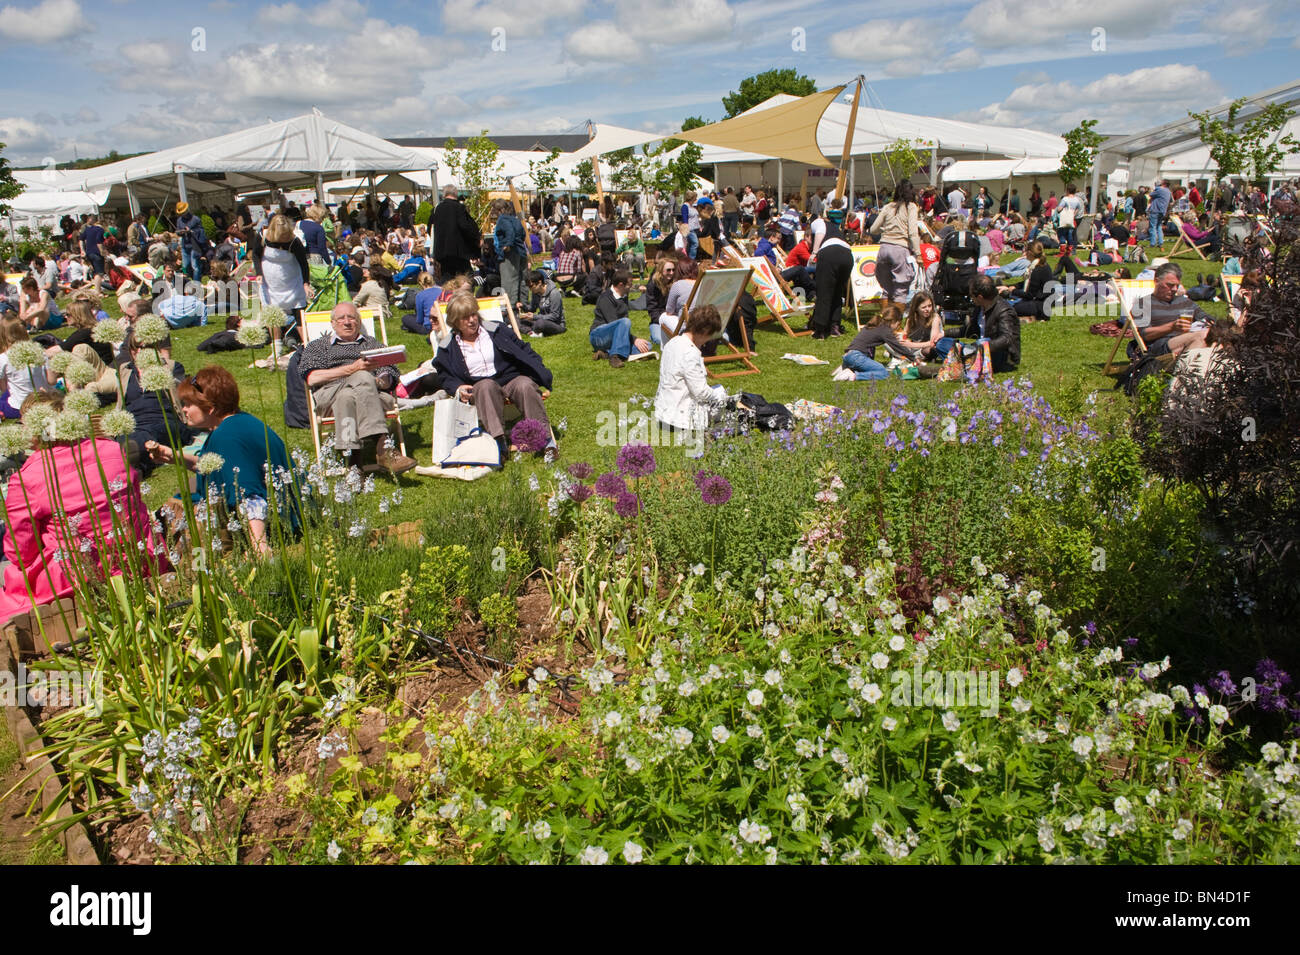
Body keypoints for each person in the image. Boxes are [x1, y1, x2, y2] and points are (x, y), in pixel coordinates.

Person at [0, 391, 164, 627]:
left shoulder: (29, 476)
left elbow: (20, 552)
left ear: (36, 427)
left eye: (24, 425)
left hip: (76, 581)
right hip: (140, 561)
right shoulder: (112, 450)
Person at [149, 366, 295, 556]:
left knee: (180, 511)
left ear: (210, 406)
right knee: (185, 491)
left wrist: (260, 547)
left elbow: (248, 492)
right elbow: (215, 466)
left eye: (189, 404)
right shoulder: (237, 421)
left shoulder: (227, 436)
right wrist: (171, 455)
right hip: (285, 507)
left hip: (280, 523)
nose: (184, 409)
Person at [434, 292, 555, 463]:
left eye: (473, 314)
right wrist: (458, 388)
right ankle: (498, 443)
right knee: (485, 386)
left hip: (510, 378)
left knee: (525, 385)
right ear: (455, 322)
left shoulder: (496, 330)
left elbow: (523, 348)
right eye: (465, 317)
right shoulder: (448, 347)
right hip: (481, 385)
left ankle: (545, 441)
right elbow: (444, 375)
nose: (471, 320)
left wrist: (537, 368)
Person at [299, 302, 415, 474]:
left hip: (371, 393)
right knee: (361, 376)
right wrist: (353, 369)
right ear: (332, 323)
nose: (347, 322)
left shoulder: (372, 344)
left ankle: (354, 465)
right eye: (341, 318)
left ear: (359, 322)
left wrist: (381, 380)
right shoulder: (319, 346)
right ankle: (383, 447)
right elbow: (312, 378)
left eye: (352, 317)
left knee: (347, 397)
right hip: (330, 392)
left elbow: (390, 372)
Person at [653, 303, 730, 434]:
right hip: (682, 418)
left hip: (664, 412)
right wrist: (720, 396)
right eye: (709, 337)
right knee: (734, 412)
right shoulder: (690, 352)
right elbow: (700, 393)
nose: (707, 341)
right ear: (704, 332)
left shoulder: (672, 342)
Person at [249, 213, 311, 357]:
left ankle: (308, 345)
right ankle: (276, 347)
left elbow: (303, 263)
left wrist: (305, 283)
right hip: (270, 284)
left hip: (291, 281)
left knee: (298, 313)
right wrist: (258, 273)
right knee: (272, 314)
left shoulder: (294, 241)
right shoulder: (262, 236)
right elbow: (256, 255)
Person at [833, 302, 935, 381]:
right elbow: (897, 347)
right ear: (894, 321)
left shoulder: (874, 325)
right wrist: (913, 358)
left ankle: (847, 368)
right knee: (883, 372)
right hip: (856, 357)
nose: (897, 328)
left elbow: (868, 347)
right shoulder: (885, 330)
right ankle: (853, 375)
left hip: (849, 355)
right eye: (898, 325)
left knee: (874, 367)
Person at [1132, 262, 1210, 359]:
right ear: (1156, 281)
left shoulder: (1184, 302)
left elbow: (1207, 318)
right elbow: (1145, 334)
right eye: (1170, 285)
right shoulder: (1142, 303)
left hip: (1187, 341)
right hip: (1160, 346)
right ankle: (1186, 372)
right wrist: (1172, 326)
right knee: (1201, 336)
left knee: (1216, 336)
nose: (1174, 289)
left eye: (1177, 286)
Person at [867, 180, 922, 304]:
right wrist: (918, 254)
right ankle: (896, 321)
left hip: (884, 248)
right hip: (900, 249)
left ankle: (886, 321)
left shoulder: (888, 206)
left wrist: (886, 230)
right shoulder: (911, 207)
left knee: (886, 289)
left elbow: (873, 229)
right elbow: (913, 232)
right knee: (900, 290)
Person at [590, 268, 651, 368]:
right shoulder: (605, 298)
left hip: (615, 336)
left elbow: (621, 329)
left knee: (646, 346)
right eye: (630, 284)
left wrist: (636, 340)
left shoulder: (624, 297)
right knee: (625, 322)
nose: (631, 286)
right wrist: (634, 339)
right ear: (621, 285)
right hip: (598, 336)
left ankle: (606, 353)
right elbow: (615, 323)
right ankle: (614, 357)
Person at [809, 200, 853, 338]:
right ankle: (834, 326)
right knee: (837, 291)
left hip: (829, 252)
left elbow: (820, 233)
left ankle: (820, 329)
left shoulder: (818, 222)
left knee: (824, 292)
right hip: (847, 254)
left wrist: (814, 252)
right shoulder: (837, 229)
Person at [0, 318, 56, 418]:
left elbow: (4, 388)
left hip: (19, 408)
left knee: (3, 398)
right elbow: (52, 381)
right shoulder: (40, 351)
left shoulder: (4, 358)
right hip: (45, 402)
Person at [964, 275, 1020, 373]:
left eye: (972, 296)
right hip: (981, 348)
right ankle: (965, 356)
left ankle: (964, 358)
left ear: (980, 297)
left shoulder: (1004, 310)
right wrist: (943, 333)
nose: (971, 298)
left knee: (977, 344)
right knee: (944, 343)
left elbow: (1006, 339)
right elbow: (969, 330)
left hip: (1001, 356)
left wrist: (981, 347)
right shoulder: (980, 307)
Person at [432, 185, 481, 280]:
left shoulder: (437, 209)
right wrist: (476, 240)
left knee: (448, 279)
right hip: (458, 252)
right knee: (467, 278)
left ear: (444, 194)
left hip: (442, 252)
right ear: (456, 194)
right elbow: (466, 227)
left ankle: (448, 295)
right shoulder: (459, 208)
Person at [1001, 242, 1054, 321]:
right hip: (1043, 304)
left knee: (1008, 307)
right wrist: (1008, 286)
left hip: (1039, 305)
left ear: (1029, 253)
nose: (1024, 253)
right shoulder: (1042, 265)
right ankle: (1030, 318)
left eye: (1025, 251)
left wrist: (1013, 291)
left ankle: (1032, 318)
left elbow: (1030, 295)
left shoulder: (1036, 270)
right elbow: (1027, 283)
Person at [492, 198, 528, 310]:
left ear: (499, 210)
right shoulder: (515, 219)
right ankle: (523, 303)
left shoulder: (502, 219)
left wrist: (507, 244)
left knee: (509, 280)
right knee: (521, 278)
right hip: (521, 251)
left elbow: (509, 231)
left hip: (510, 254)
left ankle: (509, 307)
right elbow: (523, 234)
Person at [518, 270, 566, 337]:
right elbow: (532, 309)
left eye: (531, 286)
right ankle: (533, 332)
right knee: (518, 320)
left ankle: (532, 330)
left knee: (540, 323)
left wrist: (535, 317)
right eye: (528, 286)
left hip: (556, 324)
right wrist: (523, 306)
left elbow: (555, 316)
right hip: (541, 319)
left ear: (539, 282)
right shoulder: (535, 292)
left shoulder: (554, 293)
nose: (530, 289)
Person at [644, 252, 677, 345]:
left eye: (673, 270)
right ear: (661, 271)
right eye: (668, 270)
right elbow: (652, 309)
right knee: (659, 340)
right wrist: (663, 320)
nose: (672, 273)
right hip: (658, 321)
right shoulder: (653, 285)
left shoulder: (676, 284)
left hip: (673, 318)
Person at [174, 202, 208, 279]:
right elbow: (178, 230)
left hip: (194, 246)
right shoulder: (179, 220)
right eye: (181, 213)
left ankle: (196, 283)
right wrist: (181, 232)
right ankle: (189, 280)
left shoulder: (195, 219)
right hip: (184, 245)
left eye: (183, 212)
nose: (183, 214)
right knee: (185, 265)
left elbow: (201, 231)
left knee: (195, 266)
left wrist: (191, 231)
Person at [1148, 180, 1171, 249]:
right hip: (1162, 211)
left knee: (1152, 227)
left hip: (1155, 210)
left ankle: (1152, 243)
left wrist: (1155, 188)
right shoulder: (1168, 192)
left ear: (1163, 184)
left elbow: (1151, 194)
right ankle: (1160, 242)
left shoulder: (1160, 190)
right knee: (1159, 227)